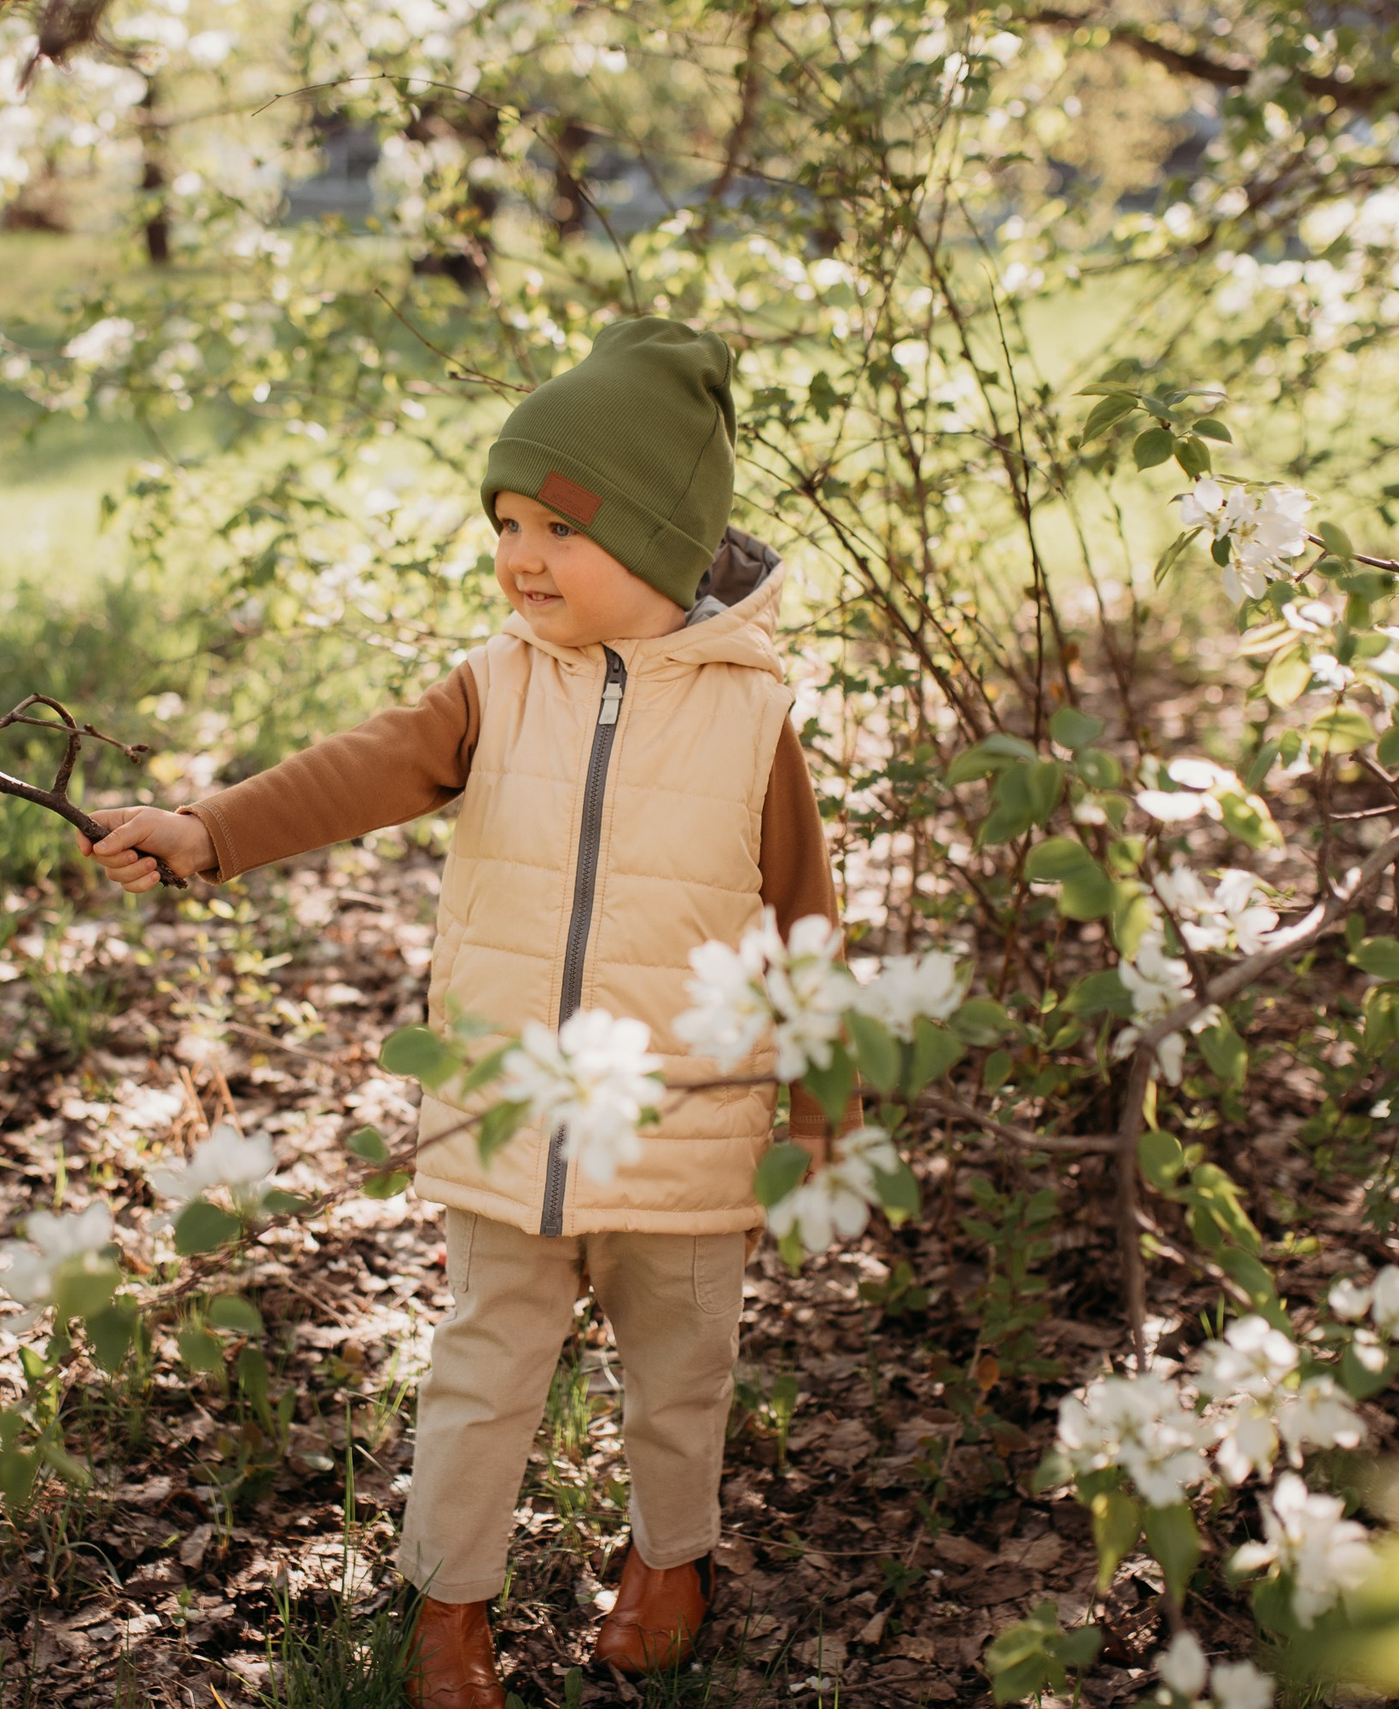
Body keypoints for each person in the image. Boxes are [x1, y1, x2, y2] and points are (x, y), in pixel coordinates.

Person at [79, 318, 845, 1709]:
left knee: (684, 1370)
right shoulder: (493, 687)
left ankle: (671, 1560)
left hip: (688, 1127)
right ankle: (451, 1606)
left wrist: (818, 1115)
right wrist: (208, 829)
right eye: (506, 520)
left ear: (665, 540)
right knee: (485, 1365)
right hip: (510, 1113)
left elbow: (803, 920)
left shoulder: (752, 720)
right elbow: (358, 771)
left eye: (561, 522)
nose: (523, 554)